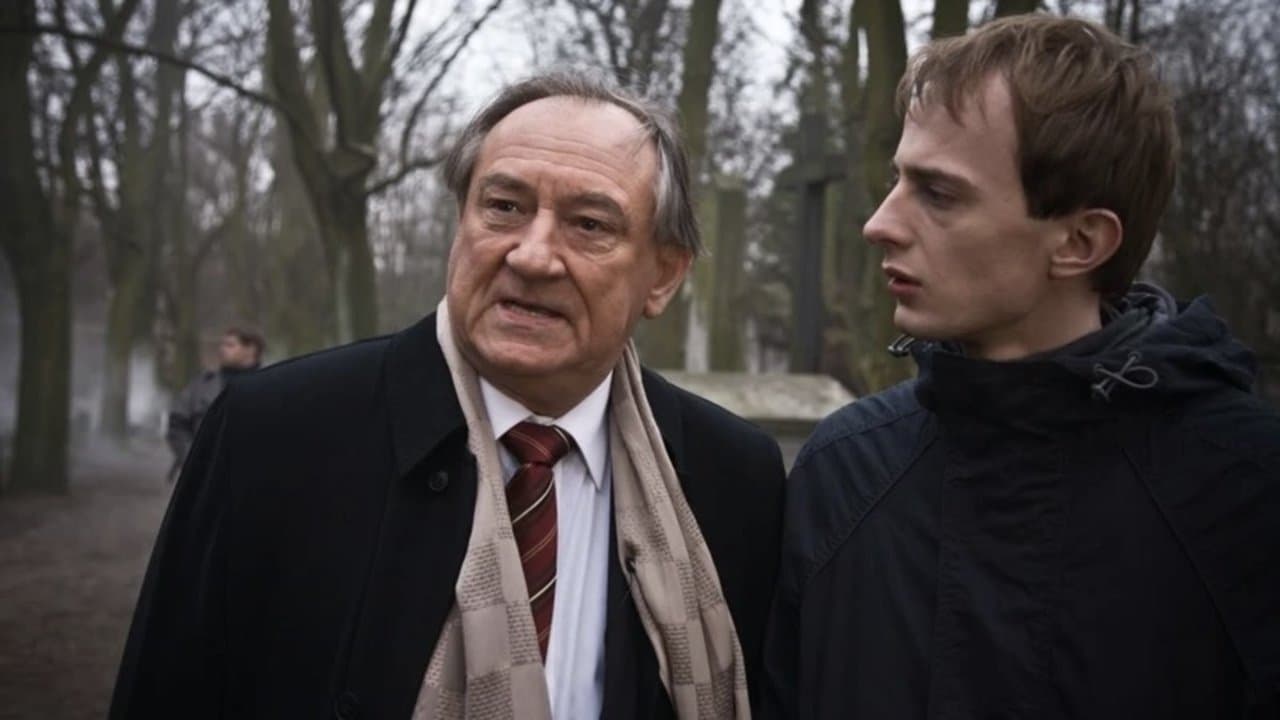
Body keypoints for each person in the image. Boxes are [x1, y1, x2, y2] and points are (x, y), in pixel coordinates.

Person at [111, 71, 784, 720]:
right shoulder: (275, 436)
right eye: (505, 207)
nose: (531, 255)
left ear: (663, 276)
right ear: (461, 221)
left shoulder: (733, 478)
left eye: (588, 224)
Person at [763, 15, 1280, 719]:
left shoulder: (1245, 493)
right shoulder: (846, 474)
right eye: (897, 180)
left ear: (1079, 241)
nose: (880, 223)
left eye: (938, 193)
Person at [165, 327, 263, 483]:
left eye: (230, 345)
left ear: (250, 349)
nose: (222, 349)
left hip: (254, 478)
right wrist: (193, 459)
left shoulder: (269, 386)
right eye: (222, 344)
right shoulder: (202, 385)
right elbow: (177, 423)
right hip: (207, 477)